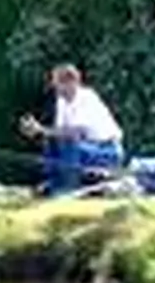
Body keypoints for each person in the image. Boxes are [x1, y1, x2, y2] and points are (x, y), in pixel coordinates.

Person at [20, 65, 123, 195]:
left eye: (58, 83)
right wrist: (35, 131)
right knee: (52, 143)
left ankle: (67, 189)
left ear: (71, 82)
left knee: (69, 144)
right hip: (84, 148)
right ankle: (54, 184)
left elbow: (76, 133)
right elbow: (59, 131)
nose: (54, 87)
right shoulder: (62, 101)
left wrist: (41, 130)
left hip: (106, 151)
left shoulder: (87, 98)